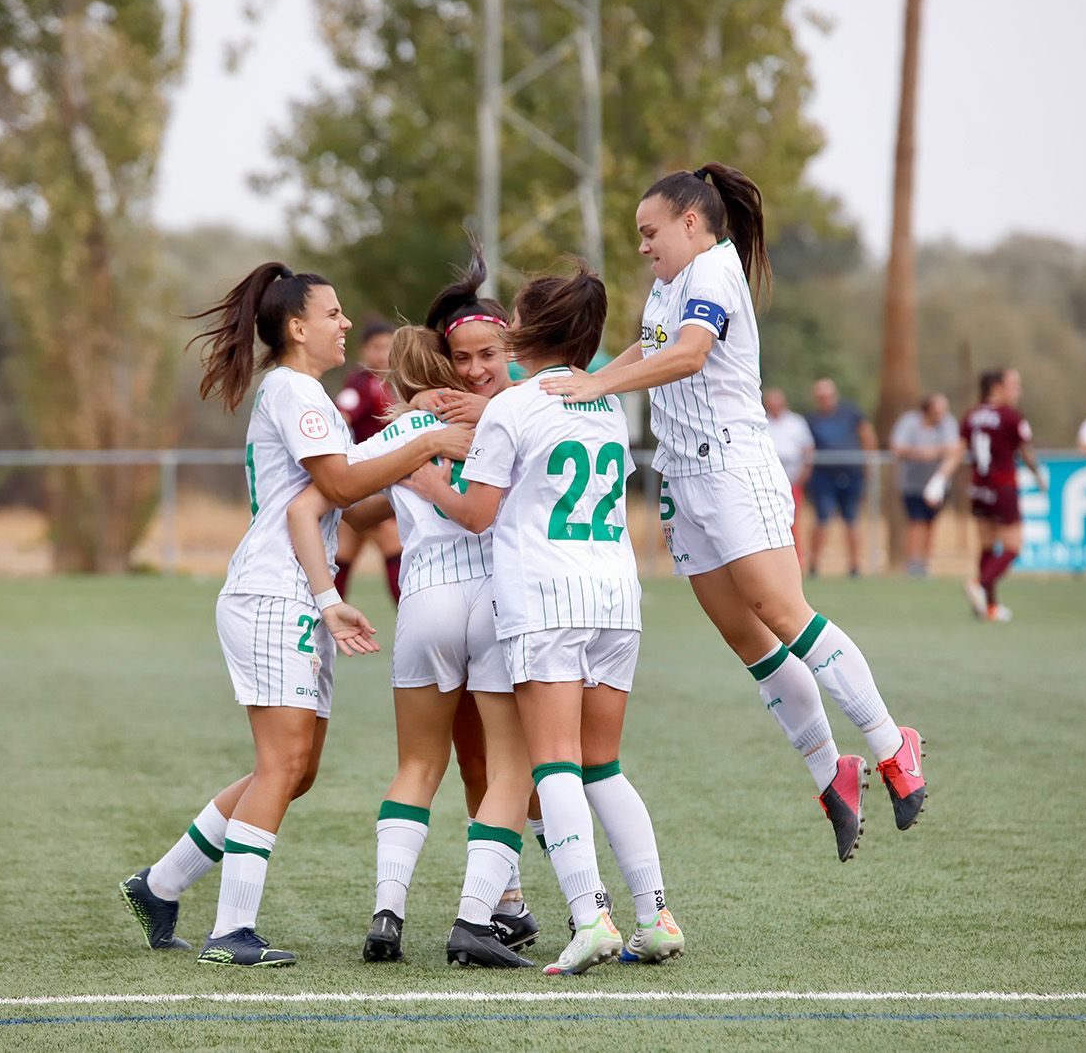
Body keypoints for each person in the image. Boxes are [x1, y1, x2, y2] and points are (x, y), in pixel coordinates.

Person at [540, 163, 926, 864]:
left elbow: (689, 355)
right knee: (749, 638)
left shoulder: (715, 271)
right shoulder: (669, 282)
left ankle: (892, 743)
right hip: (683, 478)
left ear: (691, 222)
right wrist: (594, 379)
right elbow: (654, 346)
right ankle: (831, 774)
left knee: (784, 613)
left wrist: (596, 386)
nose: (643, 245)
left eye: (649, 231)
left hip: (732, 469)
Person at [117, 263, 470, 968]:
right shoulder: (296, 390)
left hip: (294, 595)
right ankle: (230, 932)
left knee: (295, 770)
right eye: (333, 313)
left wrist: (419, 437)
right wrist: (427, 442)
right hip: (275, 593)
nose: (346, 324)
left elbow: (350, 495)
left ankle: (160, 886)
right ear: (297, 326)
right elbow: (338, 483)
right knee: (281, 764)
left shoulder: (303, 394)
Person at [414, 264, 685, 975]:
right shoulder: (605, 401)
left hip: (545, 597)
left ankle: (589, 916)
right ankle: (654, 915)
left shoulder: (513, 406)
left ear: (527, 328)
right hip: (615, 595)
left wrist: (429, 481)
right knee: (604, 765)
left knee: (555, 761)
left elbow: (479, 512)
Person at [285, 258, 539, 969]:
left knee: (418, 765)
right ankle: (487, 913)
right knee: (509, 767)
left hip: (423, 601)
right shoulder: (512, 418)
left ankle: (388, 914)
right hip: (497, 600)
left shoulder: (401, 433)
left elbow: (336, 500)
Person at [925, 369, 1046, 623]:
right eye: (1014, 385)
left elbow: (958, 452)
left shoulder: (971, 416)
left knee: (988, 547)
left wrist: (938, 480)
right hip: (1003, 487)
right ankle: (979, 583)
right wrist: (1038, 475)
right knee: (1013, 546)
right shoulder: (1012, 417)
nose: (1018, 391)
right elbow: (1025, 451)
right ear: (997, 387)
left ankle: (989, 607)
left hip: (978, 488)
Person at [332, 320, 405, 601]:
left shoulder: (394, 385)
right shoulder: (361, 384)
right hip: (369, 481)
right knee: (390, 540)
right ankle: (409, 614)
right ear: (364, 351)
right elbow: (342, 416)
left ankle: (325, 617)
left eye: (388, 347)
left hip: (378, 480)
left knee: (345, 552)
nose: (382, 354)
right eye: (376, 347)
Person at [804, 378, 876, 577]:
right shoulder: (811, 419)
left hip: (851, 474)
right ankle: (813, 565)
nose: (824, 400)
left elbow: (867, 434)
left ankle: (854, 566)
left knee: (852, 520)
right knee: (822, 519)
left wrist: (868, 463)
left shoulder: (850, 412)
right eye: (820, 396)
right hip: (823, 476)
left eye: (827, 396)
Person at [890, 393, 958, 577]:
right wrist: (920, 453)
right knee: (916, 521)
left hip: (937, 484)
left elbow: (954, 447)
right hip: (912, 483)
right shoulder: (909, 422)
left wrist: (935, 452)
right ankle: (912, 562)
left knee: (930, 522)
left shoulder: (947, 423)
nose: (941, 415)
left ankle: (925, 562)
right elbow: (897, 447)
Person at [763, 387, 814, 563]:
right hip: (767, 484)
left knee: (791, 521)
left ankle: (795, 560)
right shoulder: (762, 421)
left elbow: (808, 448)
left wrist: (803, 475)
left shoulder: (796, 422)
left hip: (792, 482)